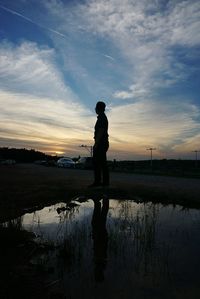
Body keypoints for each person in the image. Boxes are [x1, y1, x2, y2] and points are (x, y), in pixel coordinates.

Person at [90, 101, 109, 187]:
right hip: (102, 142)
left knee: (98, 162)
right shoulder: (102, 117)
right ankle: (103, 182)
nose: (95, 109)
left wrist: (96, 143)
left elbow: (101, 131)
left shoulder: (102, 118)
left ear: (98, 108)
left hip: (101, 143)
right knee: (101, 163)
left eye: (96, 107)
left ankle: (99, 182)